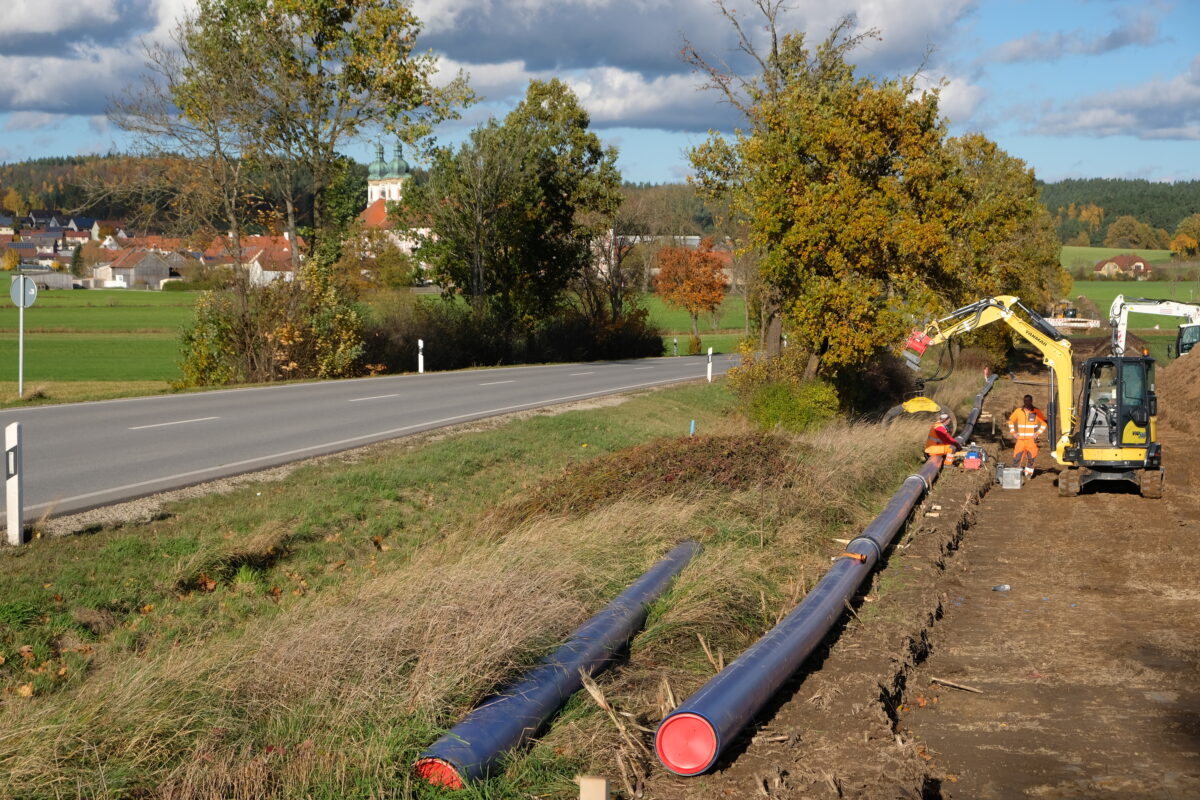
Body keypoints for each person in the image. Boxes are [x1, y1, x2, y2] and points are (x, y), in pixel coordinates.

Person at [1008, 394, 1047, 478]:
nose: (1027, 402)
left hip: (1031, 440)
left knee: (1031, 458)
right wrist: (1013, 432)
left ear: (1031, 401)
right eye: (1025, 400)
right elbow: (1011, 421)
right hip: (1020, 440)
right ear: (1023, 401)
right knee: (1017, 458)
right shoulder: (1018, 411)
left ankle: (1028, 474)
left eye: (1028, 400)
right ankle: (1015, 475)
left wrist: (1038, 433)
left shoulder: (1036, 411)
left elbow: (1044, 423)